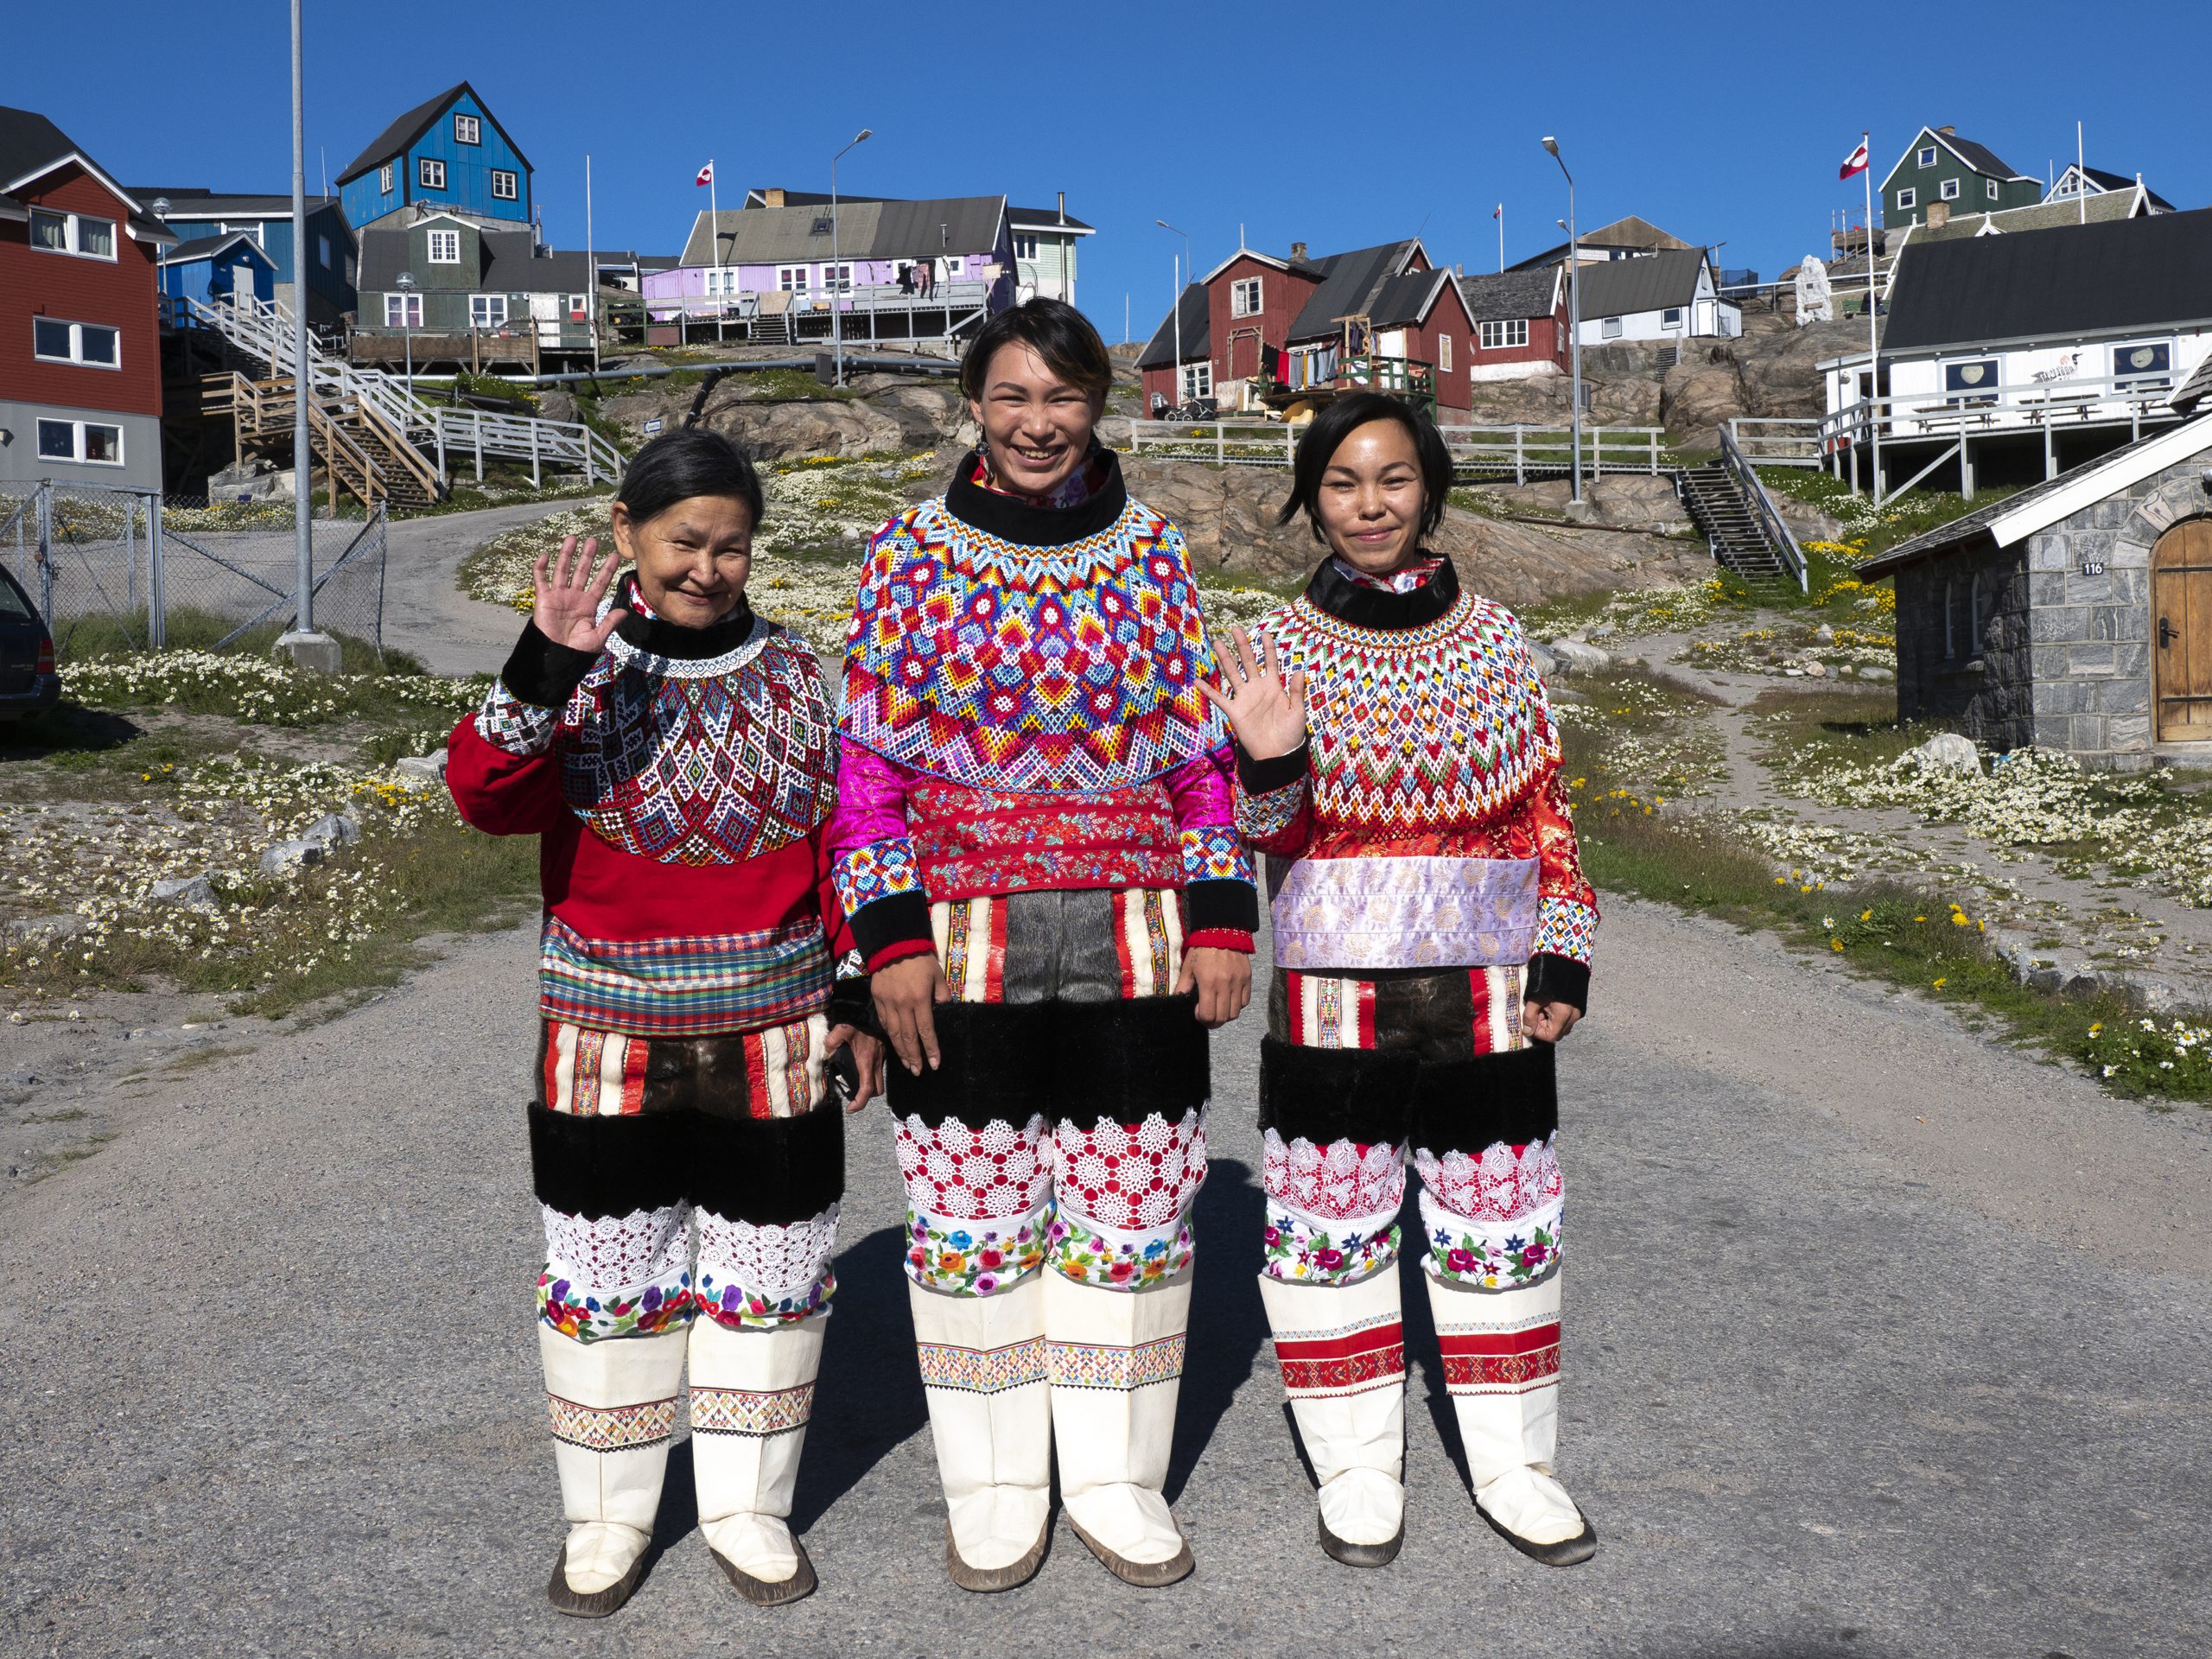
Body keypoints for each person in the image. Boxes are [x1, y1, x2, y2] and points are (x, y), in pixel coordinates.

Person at [829, 297, 1256, 1591]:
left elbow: (1201, 759)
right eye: (1011, 396)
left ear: (1098, 407)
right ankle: (998, 1485)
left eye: (1061, 399)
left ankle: (1118, 1482)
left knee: (1129, 1225)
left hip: (1136, 941)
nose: (1036, 424)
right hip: (957, 948)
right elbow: (867, 773)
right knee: (972, 1226)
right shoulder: (907, 553)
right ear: (973, 403)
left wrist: (1223, 912)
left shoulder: (1152, 555)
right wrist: (887, 940)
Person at [448, 429, 882, 1617]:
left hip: (775, 1029)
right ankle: (608, 1518)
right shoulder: (576, 668)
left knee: (775, 1276)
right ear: (631, 534)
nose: (708, 567)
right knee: (607, 1282)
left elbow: (838, 840)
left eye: (732, 547)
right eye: (685, 541)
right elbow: (483, 797)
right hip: (605, 1031)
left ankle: (748, 1506)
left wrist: (853, 991)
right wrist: (542, 660)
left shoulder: (796, 674)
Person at [1197, 391, 1599, 1570]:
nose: (1368, 506)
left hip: (1490, 990)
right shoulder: (1273, 647)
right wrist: (1268, 760)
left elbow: (1546, 812)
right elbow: (1259, 834)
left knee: (1505, 1229)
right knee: (1328, 1235)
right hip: (1333, 994)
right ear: (1310, 497)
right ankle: (1358, 1466)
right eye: (1341, 484)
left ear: (1430, 487)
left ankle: (1518, 1464)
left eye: (1392, 479)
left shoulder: (1497, 637)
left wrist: (1563, 943)